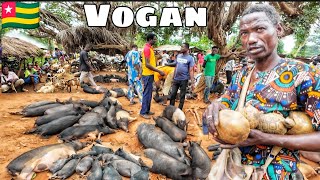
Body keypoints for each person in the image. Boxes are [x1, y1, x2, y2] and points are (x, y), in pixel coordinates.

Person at [204, 4, 320, 179]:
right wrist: (215, 107)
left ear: (278, 29)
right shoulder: (241, 74)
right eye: (244, 33)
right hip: (236, 169)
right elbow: (226, 102)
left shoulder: (304, 75)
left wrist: (267, 139)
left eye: (260, 29)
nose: (250, 39)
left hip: (277, 173)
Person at [140, 33, 165, 119]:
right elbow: (147, 64)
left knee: (149, 93)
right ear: (150, 39)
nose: (155, 40)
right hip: (147, 74)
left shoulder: (150, 48)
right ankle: (143, 112)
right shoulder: (147, 49)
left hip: (150, 74)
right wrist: (158, 71)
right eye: (154, 39)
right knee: (146, 93)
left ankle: (147, 110)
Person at [169, 43, 195, 110]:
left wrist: (192, 82)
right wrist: (173, 77)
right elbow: (176, 67)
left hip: (184, 80)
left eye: (183, 47)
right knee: (173, 94)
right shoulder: (179, 56)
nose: (181, 48)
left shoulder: (190, 58)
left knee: (182, 96)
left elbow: (191, 70)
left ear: (187, 49)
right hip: (176, 79)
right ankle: (171, 109)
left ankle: (179, 110)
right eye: (181, 47)